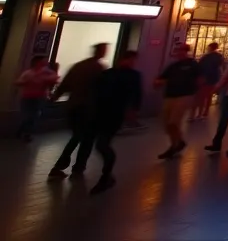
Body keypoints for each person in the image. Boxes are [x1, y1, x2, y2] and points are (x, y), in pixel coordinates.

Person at [48, 43, 108, 178]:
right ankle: (76, 167)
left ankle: (65, 166)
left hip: (73, 106)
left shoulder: (78, 66)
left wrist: (54, 97)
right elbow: (102, 90)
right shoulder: (98, 68)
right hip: (89, 108)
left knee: (77, 136)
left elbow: (65, 84)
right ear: (101, 52)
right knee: (86, 139)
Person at [88, 50, 143, 194]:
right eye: (132, 59)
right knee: (102, 144)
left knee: (102, 143)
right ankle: (107, 175)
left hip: (109, 113)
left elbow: (97, 91)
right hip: (110, 113)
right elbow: (136, 95)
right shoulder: (130, 76)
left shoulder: (110, 74)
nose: (133, 62)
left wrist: (132, 111)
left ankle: (106, 176)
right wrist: (133, 111)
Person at [156, 43, 201, 158]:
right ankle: (178, 142)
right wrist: (158, 82)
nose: (178, 53)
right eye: (177, 51)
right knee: (168, 124)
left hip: (185, 95)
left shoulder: (193, 65)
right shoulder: (173, 66)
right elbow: (162, 78)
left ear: (186, 51)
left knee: (174, 122)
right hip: (170, 96)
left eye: (180, 50)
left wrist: (196, 93)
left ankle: (173, 146)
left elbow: (200, 79)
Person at [15, 56, 57, 141]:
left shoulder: (47, 73)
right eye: (43, 62)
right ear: (36, 63)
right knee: (28, 116)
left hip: (39, 97)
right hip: (28, 97)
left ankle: (26, 133)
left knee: (34, 116)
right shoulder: (28, 73)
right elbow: (18, 82)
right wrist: (26, 82)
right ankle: (22, 131)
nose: (45, 63)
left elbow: (54, 79)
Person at [194, 43, 224, 120]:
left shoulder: (206, 57)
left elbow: (202, 66)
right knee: (209, 96)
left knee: (202, 96)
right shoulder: (219, 57)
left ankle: (200, 113)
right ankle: (206, 112)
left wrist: (201, 76)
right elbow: (220, 67)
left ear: (210, 48)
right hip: (213, 78)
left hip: (205, 78)